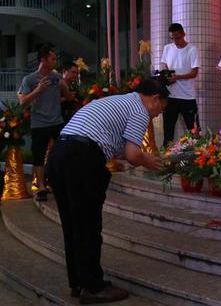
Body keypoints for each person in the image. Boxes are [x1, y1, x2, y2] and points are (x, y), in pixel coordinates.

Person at [46, 78, 168, 304]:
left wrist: (125, 157)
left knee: (73, 225)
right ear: (155, 99)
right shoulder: (140, 109)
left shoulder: (119, 101)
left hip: (59, 155)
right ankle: (94, 286)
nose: (158, 114)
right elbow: (133, 154)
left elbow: (114, 146)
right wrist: (148, 161)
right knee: (89, 225)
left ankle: (79, 283)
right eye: (161, 108)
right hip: (81, 159)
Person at [18, 43, 73, 201]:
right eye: (53, 58)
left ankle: (59, 181)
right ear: (43, 60)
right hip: (39, 123)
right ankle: (41, 187)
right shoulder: (29, 79)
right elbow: (22, 103)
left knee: (64, 152)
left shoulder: (56, 77)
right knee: (38, 156)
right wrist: (38, 90)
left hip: (57, 121)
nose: (55, 61)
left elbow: (69, 98)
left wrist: (65, 87)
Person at [160, 23, 200, 147]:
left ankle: (196, 156)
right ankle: (167, 158)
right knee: (168, 130)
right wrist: (167, 75)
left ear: (183, 34)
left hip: (187, 96)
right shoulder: (168, 48)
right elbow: (164, 65)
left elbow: (194, 73)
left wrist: (177, 77)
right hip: (171, 95)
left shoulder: (192, 49)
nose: (175, 41)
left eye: (177, 37)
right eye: (172, 38)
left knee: (193, 130)